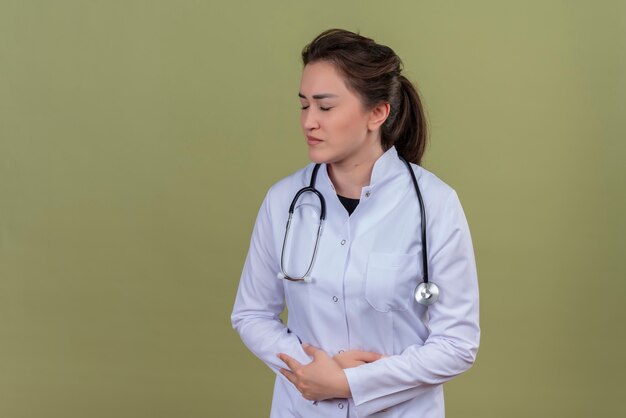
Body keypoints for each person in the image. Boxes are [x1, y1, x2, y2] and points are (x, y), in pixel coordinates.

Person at [231, 28, 480, 418]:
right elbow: (251, 314)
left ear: (377, 113)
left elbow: (457, 344)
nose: (309, 122)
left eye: (325, 107)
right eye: (303, 105)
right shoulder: (284, 201)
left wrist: (351, 384)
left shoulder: (434, 205)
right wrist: (309, 372)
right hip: (303, 409)